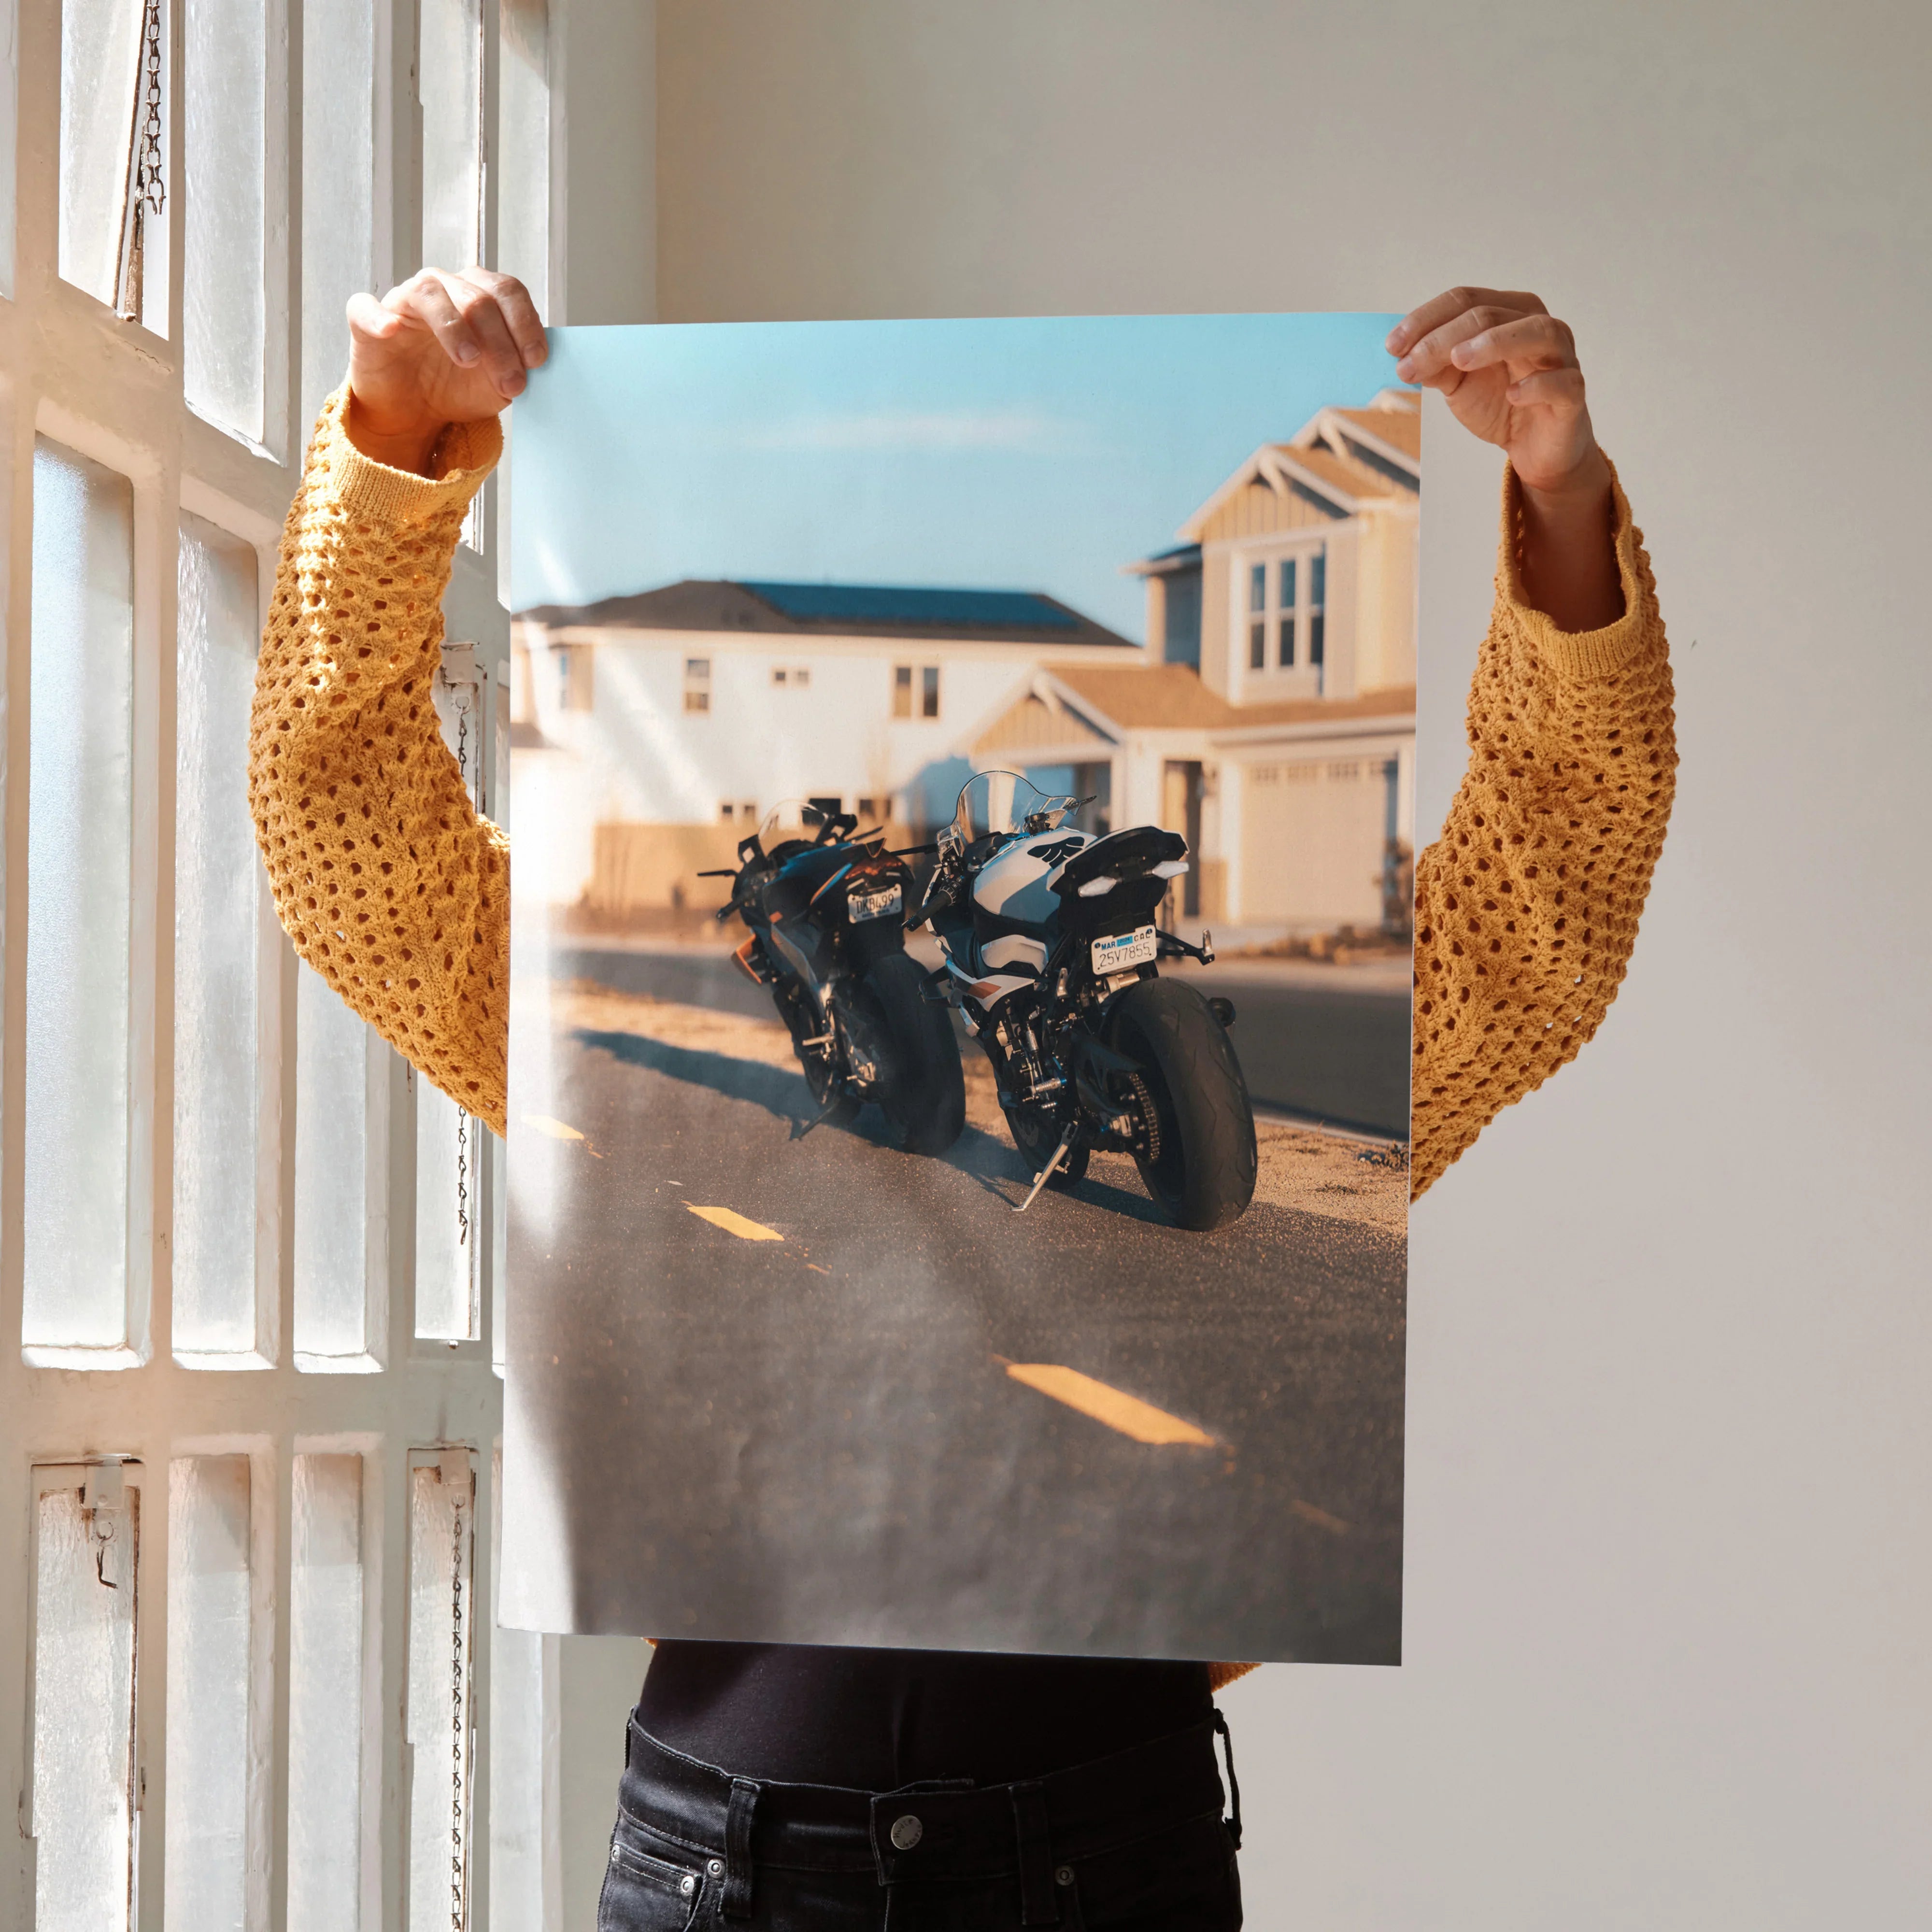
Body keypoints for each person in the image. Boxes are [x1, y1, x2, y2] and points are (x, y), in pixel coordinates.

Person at [249, 270, 1675, 1929]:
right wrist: (393, 449)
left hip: (1102, 1845)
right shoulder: (631, 981)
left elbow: (1544, 909)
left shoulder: (1076, 875)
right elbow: (348, 842)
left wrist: (1559, 498)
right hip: (732, 1859)